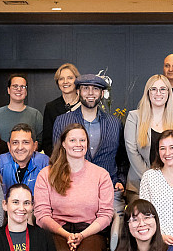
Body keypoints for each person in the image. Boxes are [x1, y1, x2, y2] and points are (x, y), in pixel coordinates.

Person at [33, 123, 115, 251]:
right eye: (72, 140)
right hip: (57, 230)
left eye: (82, 140)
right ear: (63, 143)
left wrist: (82, 235)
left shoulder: (101, 174)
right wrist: (66, 234)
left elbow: (106, 214)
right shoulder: (47, 174)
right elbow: (41, 214)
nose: (78, 144)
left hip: (90, 230)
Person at [51, 73, 126, 205]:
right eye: (86, 88)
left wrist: (121, 180)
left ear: (102, 94)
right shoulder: (62, 122)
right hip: (72, 190)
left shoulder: (115, 123)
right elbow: (57, 157)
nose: (90, 93)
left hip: (108, 189)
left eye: (95, 89)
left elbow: (122, 158)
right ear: (78, 92)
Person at [125, 75, 173, 195]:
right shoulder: (134, 117)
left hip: (172, 185)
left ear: (169, 93)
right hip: (139, 184)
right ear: (148, 92)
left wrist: (165, 180)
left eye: (162, 89)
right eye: (154, 89)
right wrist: (151, 179)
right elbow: (132, 151)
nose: (158, 93)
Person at [0, 123, 50, 195]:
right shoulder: (0, 162)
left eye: (26, 142)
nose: (20, 148)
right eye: (15, 143)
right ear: (9, 146)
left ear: (35, 146)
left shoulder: (44, 162)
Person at [0, 73, 44, 142]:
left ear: (26, 91)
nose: (19, 89)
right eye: (15, 86)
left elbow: (40, 141)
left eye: (22, 86)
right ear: (8, 90)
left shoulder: (36, 115)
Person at [40, 63, 81, 150]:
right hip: (58, 156)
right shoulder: (51, 107)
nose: (65, 81)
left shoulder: (84, 105)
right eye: (61, 79)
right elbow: (47, 142)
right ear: (58, 82)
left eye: (70, 78)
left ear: (77, 80)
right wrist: (57, 157)